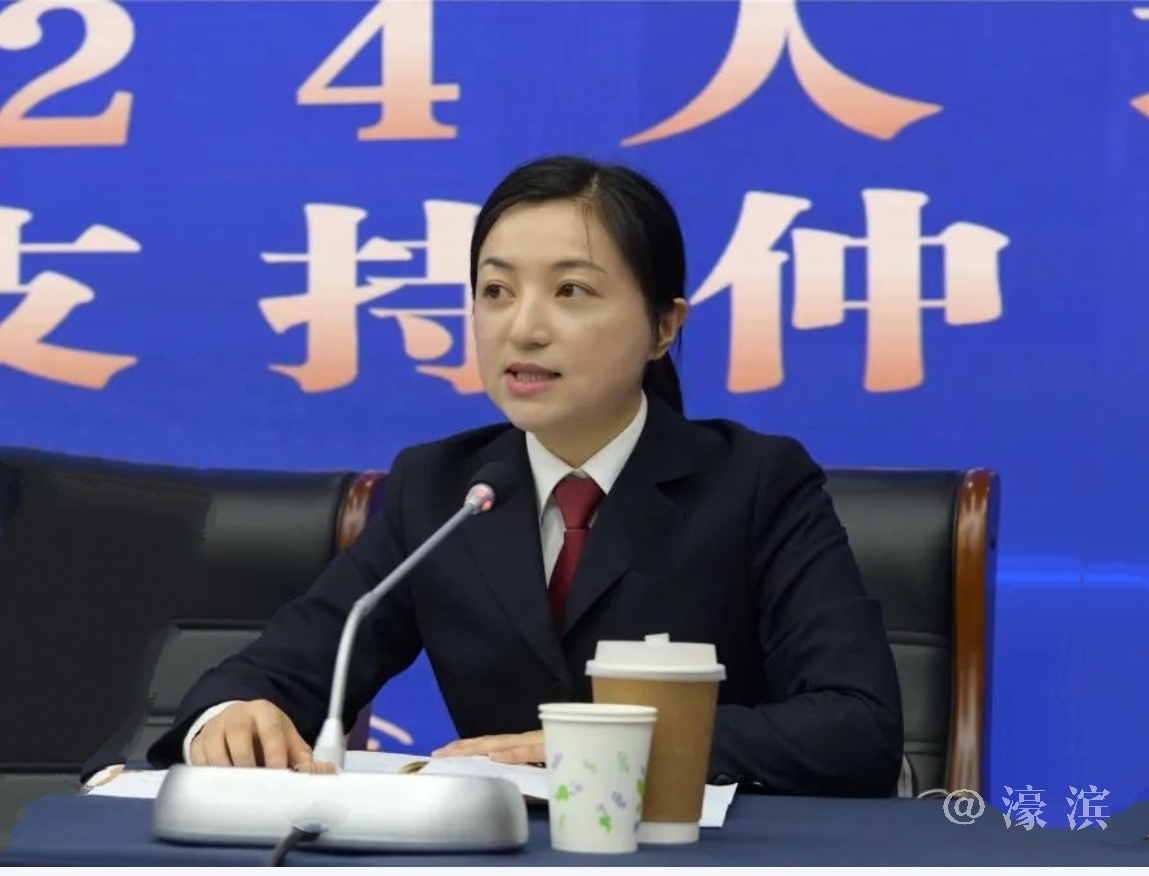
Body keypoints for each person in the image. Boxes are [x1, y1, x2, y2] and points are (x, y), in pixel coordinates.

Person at [143, 155, 904, 796]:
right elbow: (280, 669)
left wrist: (597, 748)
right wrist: (231, 716)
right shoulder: (440, 490)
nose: (523, 327)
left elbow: (856, 727)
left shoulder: (755, 483)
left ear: (663, 327)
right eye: (496, 291)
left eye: (571, 290)